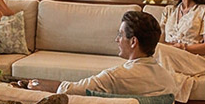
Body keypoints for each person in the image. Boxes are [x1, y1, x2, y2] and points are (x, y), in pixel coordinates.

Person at [48, 10, 180, 98]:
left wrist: (35, 84)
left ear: (133, 41)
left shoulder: (115, 77)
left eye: (120, 35)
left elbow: (71, 90)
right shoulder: (166, 78)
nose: (117, 39)